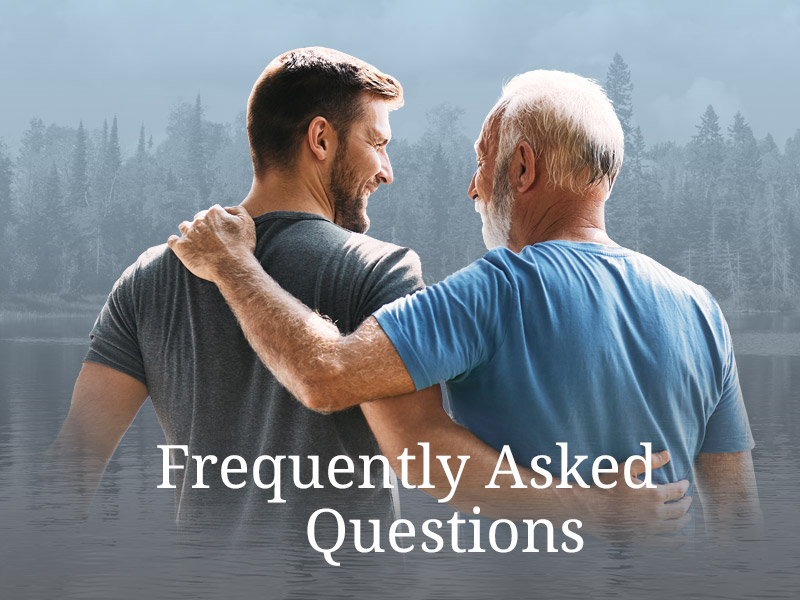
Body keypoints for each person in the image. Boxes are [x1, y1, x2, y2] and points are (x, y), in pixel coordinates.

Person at [52, 48, 687, 540]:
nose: (387, 169)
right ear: (320, 139)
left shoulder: (152, 276)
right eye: (376, 143)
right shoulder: (378, 270)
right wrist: (589, 506)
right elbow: (423, 453)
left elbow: (72, 470)